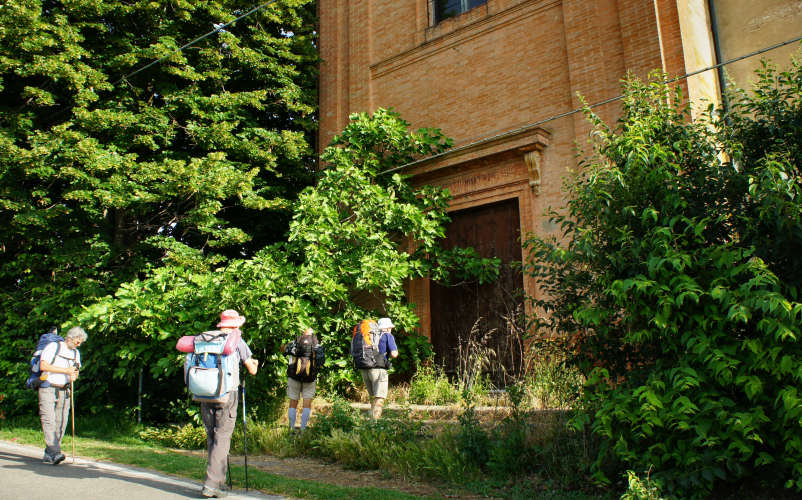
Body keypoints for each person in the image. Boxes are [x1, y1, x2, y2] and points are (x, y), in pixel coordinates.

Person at [200, 309, 258, 499]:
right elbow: (251, 370)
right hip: (227, 395)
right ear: (235, 324)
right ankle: (211, 485)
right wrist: (254, 364)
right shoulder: (236, 340)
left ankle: (219, 483)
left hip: (204, 394)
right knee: (222, 438)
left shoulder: (206, 338)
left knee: (212, 438)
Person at [38, 326, 86, 465]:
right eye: (78, 341)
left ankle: (50, 452)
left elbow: (75, 371)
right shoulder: (54, 347)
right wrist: (65, 370)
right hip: (48, 386)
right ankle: (55, 452)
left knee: (62, 421)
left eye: (81, 342)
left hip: (65, 389)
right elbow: (44, 366)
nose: (79, 344)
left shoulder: (76, 353)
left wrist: (73, 376)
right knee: (49, 419)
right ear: (70, 337)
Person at [361, 317, 398, 419]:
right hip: (379, 369)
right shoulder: (387, 335)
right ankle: (375, 425)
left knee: (373, 397)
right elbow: (394, 354)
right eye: (391, 327)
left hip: (365, 368)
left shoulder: (369, 335)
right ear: (388, 328)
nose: (391, 329)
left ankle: (370, 423)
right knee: (380, 397)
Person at [285, 327, 320, 432]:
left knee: (293, 402)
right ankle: (303, 428)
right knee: (307, 402)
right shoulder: (316, 344)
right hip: (310, 377)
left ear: (303, 333)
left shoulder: (295, 342)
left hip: (294, 376)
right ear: (312, 334)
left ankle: (291, 428)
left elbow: (284, 350)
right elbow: (321, 361)